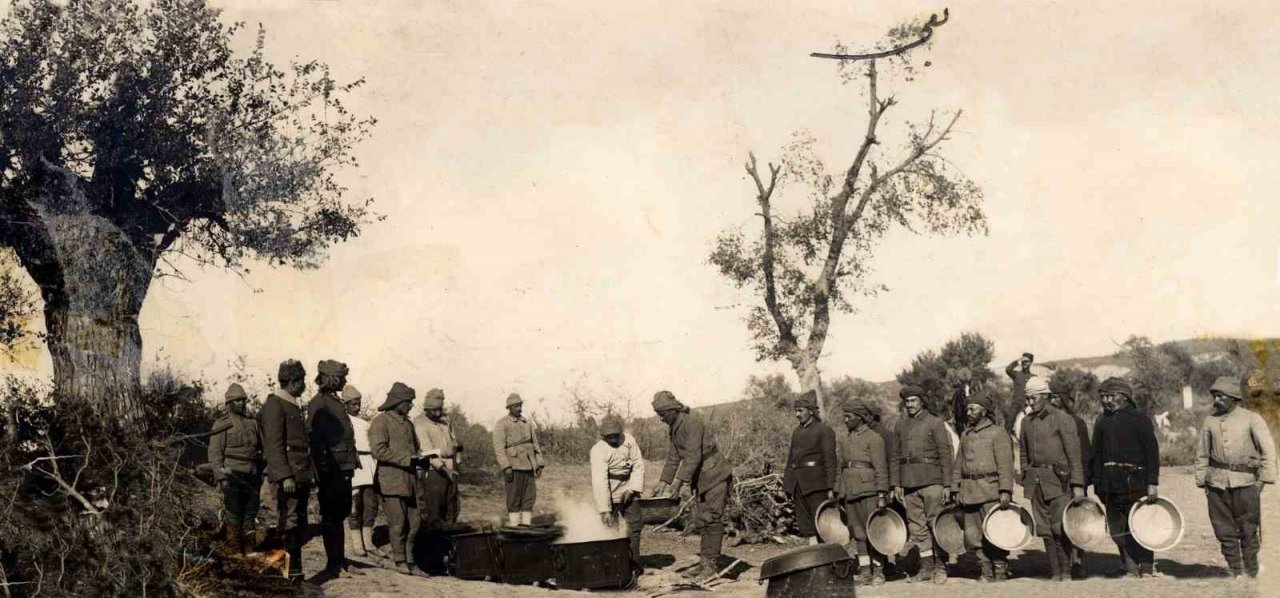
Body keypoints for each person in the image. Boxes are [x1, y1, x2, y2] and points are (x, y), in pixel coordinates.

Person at [1195, 376, 1277, 579]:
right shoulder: (1209, 421)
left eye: (1220, 396)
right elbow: (1202, 453)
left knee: (1248, 528)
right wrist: (1202, 479)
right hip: (1216, 483)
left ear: (1233, 397)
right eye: (1214, 396)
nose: (1216, 401)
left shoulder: (1251, 418)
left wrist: (1263, 479)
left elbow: (1268, 449)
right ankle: (1235, 569)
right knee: (1223, 529)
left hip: (1247, 482)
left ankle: (1251, 569)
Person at [650, 390, 733, 582]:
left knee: (712, 518)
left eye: (662, 415)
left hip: (714, 474)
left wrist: (678, 483)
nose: (661, 419)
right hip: (701, 477)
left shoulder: (692, 422)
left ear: (672, 411)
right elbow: (673, 457)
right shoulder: (675, 426)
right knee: (703, 519)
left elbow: (693, 456)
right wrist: (664, 483)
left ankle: (711, 566)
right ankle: (705, 563)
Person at [1090, 377, 1159, 579]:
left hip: (1136, 482)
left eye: (1109, 396)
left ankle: (1146, 567)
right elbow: (1096, 454)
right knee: (1117, 528)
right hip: (1110, 484)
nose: (1105, 401)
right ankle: (1129, 567)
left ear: (1123, 397)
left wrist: (1152, 482)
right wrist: (1097, 482)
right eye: (1102, 397)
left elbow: (1151, 453)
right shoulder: (1101, 421)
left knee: (1140, 524)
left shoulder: (1140, 420)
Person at [1018, 376, 1084, 582]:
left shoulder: (1062, 419)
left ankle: (1066, 571)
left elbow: (1074, 454)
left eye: (1034, 398)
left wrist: (1077, 484)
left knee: (1060, 526)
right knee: (1044, 529)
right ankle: (1055, 571)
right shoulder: (1026, 423)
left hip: (1059, 481)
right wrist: (1026, 473)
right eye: (1028, 399)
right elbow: (1023, 453)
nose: (1030, 403)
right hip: (1036, 482)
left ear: (1046, 396)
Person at [888, 385, 953, 584]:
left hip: (932, 480)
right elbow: (895, 456)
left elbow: (945, 454)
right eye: (907, 401)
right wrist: (896, 484)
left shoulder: (935, 422)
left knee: (936, 523)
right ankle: (926, 567)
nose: (909, 405)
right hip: (908, 483)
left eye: (913, 400)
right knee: (917, 527)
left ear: (922, 401)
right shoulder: (900, 425)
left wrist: (948, 484)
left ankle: (941, 567)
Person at [369, 382, 432, 576]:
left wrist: (423, 457)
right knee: (398, 523)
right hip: (392, 481)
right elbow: (378, 451)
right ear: (397, 402)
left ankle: (411, 561)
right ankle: (399, 560)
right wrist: (407, 458)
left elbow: (415, 448)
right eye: (408, 402)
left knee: (415, 522)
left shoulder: (408, 423)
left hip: (411, 480)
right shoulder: (381, 422)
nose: (411, 406)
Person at [950, 391, 1014, 583]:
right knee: (973, 534)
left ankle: (1000, 567)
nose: (969, 412)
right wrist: (955, 487)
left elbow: (1005, 464)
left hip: (990, 491)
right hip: (969, 491)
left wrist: (1005, 490)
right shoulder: (965, 434)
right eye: (968, 408)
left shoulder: (997, 432)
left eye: (973, 408)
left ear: (984, 411)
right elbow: (958, 463)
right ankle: (985, 568)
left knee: (995, 531)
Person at [259, 360, 313, 583]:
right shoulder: (275, 405)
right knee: (287, 522)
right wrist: (285, 475)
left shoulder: (290, 404)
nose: (304, 386)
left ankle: (294, 574)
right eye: (301, 381)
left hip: (299, 472)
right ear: (292, 381)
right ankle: (286, 576)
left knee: (297, 522)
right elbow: (274, 445)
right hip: (289, 474)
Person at [308, 360, 361, 579]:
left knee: (340, 514)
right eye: (341, 377)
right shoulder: (319, 402)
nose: (345, 380)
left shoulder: (333, 401)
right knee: (331, 516)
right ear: (331, 379)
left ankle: (340, 560)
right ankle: (333, 564)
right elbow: (315, 439)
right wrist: (322, 470)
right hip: (331, 468)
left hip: (342, 467)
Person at [208, 383, 263, 556]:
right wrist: (220, 477)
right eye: (237, 400)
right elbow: (215, 453)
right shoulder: (222, 424)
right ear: (229, 403)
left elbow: (262, 449)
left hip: (252, 474)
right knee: (233, 515)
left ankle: (250, 550)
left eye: (243, 400)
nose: (241, 403)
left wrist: (262, 472)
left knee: (250, 515)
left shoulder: (253, 424)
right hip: (232, 475)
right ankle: (234, 553)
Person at [838, 399, 889, 586]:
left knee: (874, 532)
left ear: (859, 418)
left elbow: (881, 468)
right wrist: (839, 492)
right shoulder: (845, 439)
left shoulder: (874, 438)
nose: (845, 420)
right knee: (858, 534)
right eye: (844, 416)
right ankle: (866, 571)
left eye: (848, 417)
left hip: (869, 492)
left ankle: (879, 572)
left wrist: (882, 494)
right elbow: (840, 467)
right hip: (850, 491)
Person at [1050, 376, 1093, 579]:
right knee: (1058, 524)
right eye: (1049, 397)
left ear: (1064, 399)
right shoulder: (1046, 423)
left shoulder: (1077, 423)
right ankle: (1063, 563)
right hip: (1054, 481)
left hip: (1075, 481)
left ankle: (1078, 561)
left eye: (1056, 397)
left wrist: (1081, 483)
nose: (1052, 401)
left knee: (1076, 520)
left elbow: (1084, 455)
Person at [782, 390, 838, 545]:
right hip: (799, 485)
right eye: (796, 411)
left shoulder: (824, 430)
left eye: (800, 411)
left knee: (821, 523)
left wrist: (831, 487)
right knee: (806, 526)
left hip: (817, 486)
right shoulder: (796, 432)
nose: (797, 415)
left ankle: (828, 561)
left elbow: (830, 461)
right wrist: (788, 484)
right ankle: (815, 558)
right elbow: (790, 459)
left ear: (811, 412)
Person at [589, 415, 645, 561]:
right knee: (610, 527)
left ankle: (634, 561)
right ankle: (615, 562)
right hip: (609, 490)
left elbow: (638, 465)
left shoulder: (629, 440)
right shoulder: (598, 450)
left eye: (616, 436)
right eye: (609, 438)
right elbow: (599, 481)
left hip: (629, 487)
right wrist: (605, 510)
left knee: (635, 525)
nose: (613, 440)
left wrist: (632, 489)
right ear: (603, 437)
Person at [492, 393, 544, 527]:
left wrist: (539, 463)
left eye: (520, 405)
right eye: (516, 406)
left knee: (529, 497)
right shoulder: (502, 424)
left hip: (529, 465)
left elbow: (535, 444)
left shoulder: (527, 423)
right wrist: (506, 467)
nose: (519, 408)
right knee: (514, 497)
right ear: (509, 408)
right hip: (513, 466)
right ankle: (514, 526)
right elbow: (499, 448)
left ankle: (526, 526)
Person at [413, 388, 462, 528]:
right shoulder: (419, 423)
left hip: (451, 467)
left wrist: (457, 461)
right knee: (435, 508)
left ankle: (450, 538)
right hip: (433, 470)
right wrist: (446, 471)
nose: (438, 413)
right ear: (426, 408)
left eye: (440, 409)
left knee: (452, 506)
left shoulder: (445, 421)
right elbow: (428, 452)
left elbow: (454, 442)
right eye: (434, 410)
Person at [343, 384, 382, 559]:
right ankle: (357, 544)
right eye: (353, 404)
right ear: (345, 405)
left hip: (368, 464)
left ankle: (368, 542)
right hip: (353, 464)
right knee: (354, 505)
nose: (357, 407)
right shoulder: (342, 422)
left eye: (359, 403)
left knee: (370, 504)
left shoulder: (366, 424)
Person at [1004, 352, 1035, 434]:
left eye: (1027, 361)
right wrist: (1017, 361)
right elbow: (1008, 369)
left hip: (1029, 404)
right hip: (1016, 404)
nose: (1024, 363)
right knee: (1009, 421)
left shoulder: (1033, 377)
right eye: (1023, 361)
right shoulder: (1016, 375)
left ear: (1031, 363)